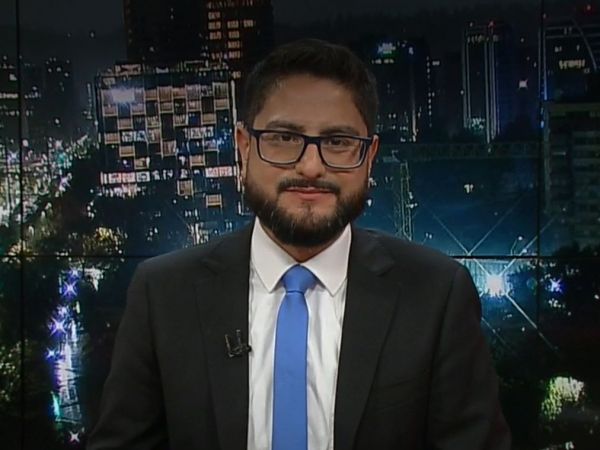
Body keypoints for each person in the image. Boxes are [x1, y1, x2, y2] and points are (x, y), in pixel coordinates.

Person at [88, 39, 511, 450]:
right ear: (244, 148)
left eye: (338, 142)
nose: (310, 166)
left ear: (369, 157)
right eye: (284, 138)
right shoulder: (163, 294)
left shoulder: (437, 294)